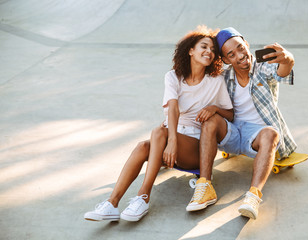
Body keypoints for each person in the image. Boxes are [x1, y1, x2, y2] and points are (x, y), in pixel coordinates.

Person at [83, 25, 233, 222]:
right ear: (190, 50)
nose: (209, 52)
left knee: (158, 132)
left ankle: (143, 197)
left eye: (213, 50)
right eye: (204, 47)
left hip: (196, 149)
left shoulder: (215, 81)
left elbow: (229, 114)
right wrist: (172, 141)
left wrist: (214, 109)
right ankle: (112, 203)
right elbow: (172, 108)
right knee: (143, 146)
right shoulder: (173, 76)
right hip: (172, 143)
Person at [186, 27, 297, 219]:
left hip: (258, 135)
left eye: (240, 47)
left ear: (246, 44)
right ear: (226, 60)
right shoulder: (225, 76)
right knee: (210, 121)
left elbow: (281, 72)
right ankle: (205, 186)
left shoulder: (262, 66)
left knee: (271, 133)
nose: (240, 55)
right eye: (231, 54)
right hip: (233, 132)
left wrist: (288, 59)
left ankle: (253, 196)